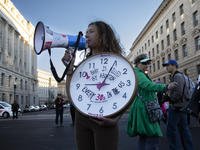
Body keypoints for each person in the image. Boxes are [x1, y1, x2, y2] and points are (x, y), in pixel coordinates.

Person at [62, 21, 124, 150]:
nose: (86, 35)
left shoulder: (117, 61)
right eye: (86, 33)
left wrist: (116, 118)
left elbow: (127, 92)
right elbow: (71, 95)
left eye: (91, 32)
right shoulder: (84, 64)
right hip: (82, 118)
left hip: (105, 118)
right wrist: (69, 69)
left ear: (103, 35)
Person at [126, 53, 178, 150]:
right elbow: (147, 85)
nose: (147, 65)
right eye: (144, 63)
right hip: (144, 108)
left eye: (148, 63)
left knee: (144, 137)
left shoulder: (138, 73)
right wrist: (165, 87)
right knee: (153, 137)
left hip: (143, 107)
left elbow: (145, 86)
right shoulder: (138, 73)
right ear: (137, 64)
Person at [162, 59, 194, 150]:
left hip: (177, 107)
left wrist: (171, 100)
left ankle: (174, 148)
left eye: (168, 65)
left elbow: (178, 92)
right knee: (184, 130)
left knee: (170, 129)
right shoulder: (180, 76)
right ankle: (189, 148)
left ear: (174, 66)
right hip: (182, 107)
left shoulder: (177, 76)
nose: (166, 67)